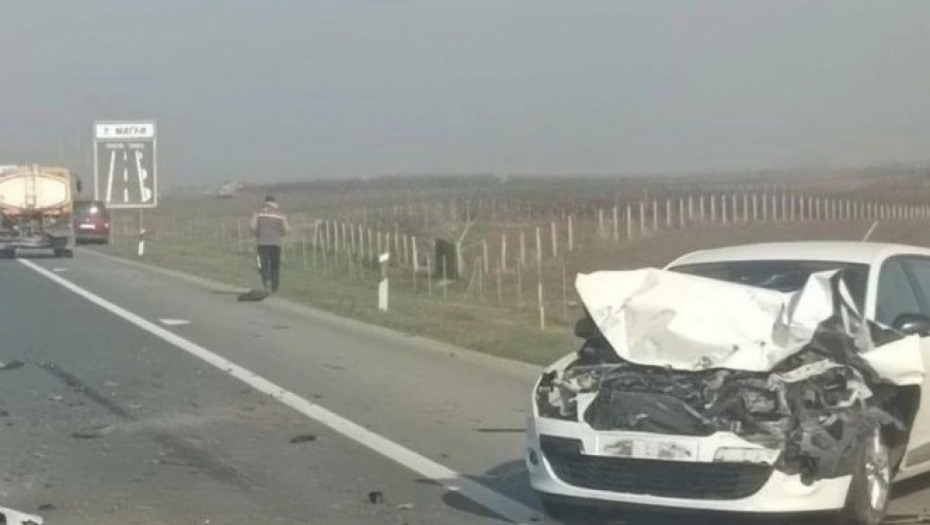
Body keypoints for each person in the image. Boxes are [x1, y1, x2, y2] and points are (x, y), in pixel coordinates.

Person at [249, 195, 290, 293]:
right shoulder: (280, 214)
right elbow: (287, 229)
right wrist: (279, 234)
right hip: (276, 244)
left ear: (265, 202)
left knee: (262, 264)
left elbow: (252, 227)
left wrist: (258, 234)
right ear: (274, 203)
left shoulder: (258, 213)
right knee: (275, 266)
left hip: (262, 244)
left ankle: (265, 282)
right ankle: (274, 288)